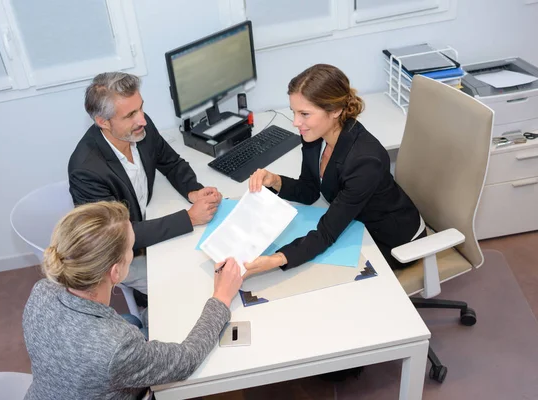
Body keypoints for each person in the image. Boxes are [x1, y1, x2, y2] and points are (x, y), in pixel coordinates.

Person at [23, 201, 242, 400]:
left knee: (137, 320)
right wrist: (221, 297)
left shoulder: (41, 291)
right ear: (116, 272)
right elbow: (186, 360)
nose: (133, 252)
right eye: (131, 248)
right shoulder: (116, 347)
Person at [245, 64, 426, 276]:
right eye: (294, 112)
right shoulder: (315, 137)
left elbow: (327, 233)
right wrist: (274, 180)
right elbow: (309, 190)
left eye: (304, 113)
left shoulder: (365, 161)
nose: (296, 122)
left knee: (320, 279)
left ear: (336, 110)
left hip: (392, 240)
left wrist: (277, 259)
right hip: (354, 223)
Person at [68, 72, 222, 297]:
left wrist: (194, 191)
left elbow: (170, 162)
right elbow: (118, 234)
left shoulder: (139, 127)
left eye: (140, 108)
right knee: (191, 285)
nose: (142, 119)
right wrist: (189, 218)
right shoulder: (86, 170)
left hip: (148, 223)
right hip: (121, 254)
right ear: (103, 122)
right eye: (130, 115)